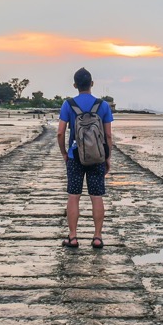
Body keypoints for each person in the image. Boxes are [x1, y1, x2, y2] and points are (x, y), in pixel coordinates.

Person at [57, 67, 113, 249]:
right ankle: (97, 237)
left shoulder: (68, 104)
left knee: (74, 196)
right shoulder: (103, 105)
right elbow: (108, 136)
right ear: (92, 84)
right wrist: (107, 157)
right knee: (96, 197)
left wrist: (65, 153)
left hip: (75, 156)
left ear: (75, 85)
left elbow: (60, 133)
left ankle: (73, 237)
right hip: (97, 157)